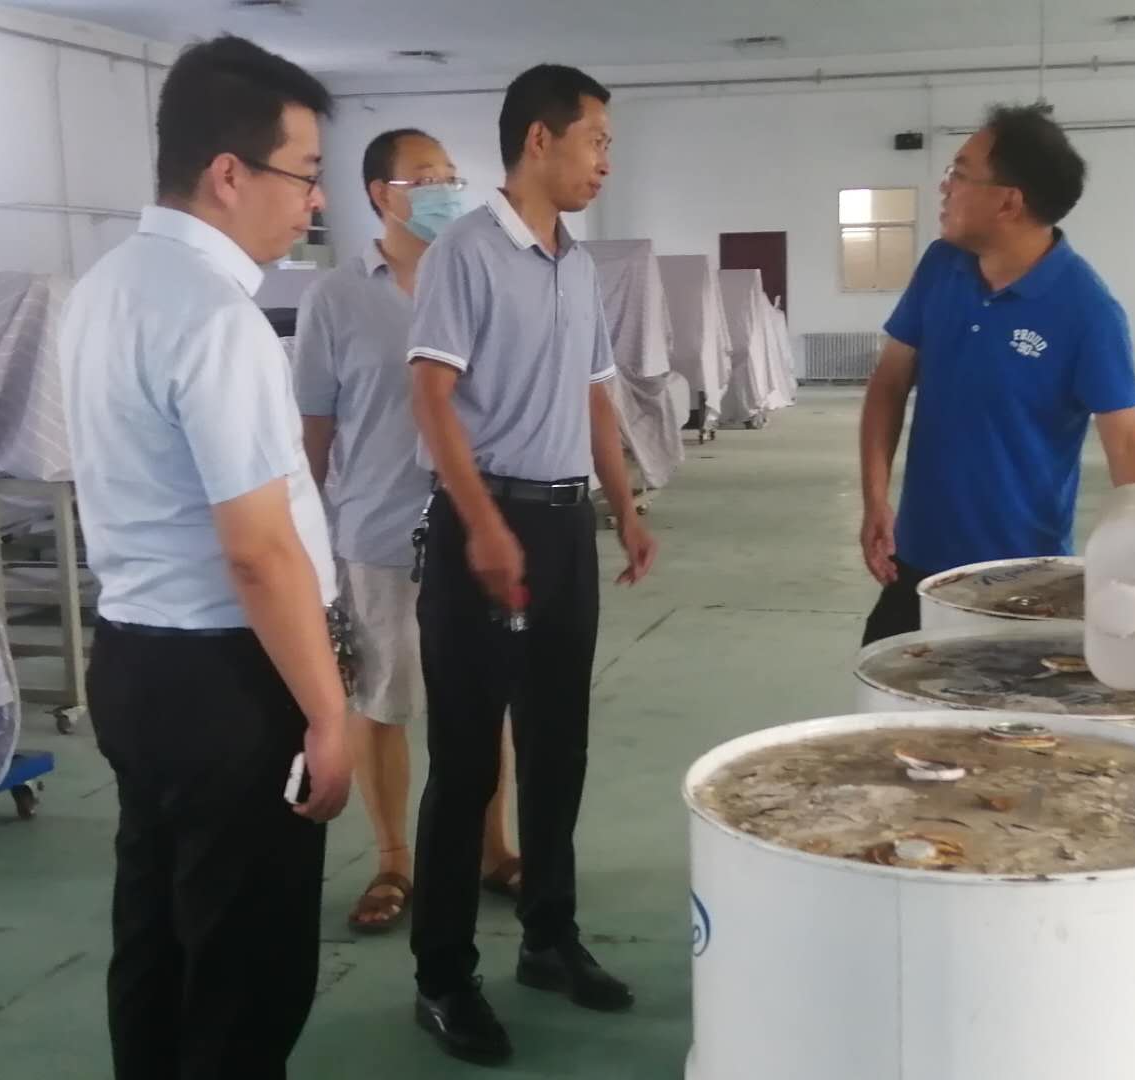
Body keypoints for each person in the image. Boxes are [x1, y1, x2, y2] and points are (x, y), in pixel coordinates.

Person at [58, 35, 353, 1080]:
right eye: (304, 174)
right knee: (244, 970)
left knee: (157, 938)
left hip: (135, 660)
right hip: (229, 683)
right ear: (230, 173)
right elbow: (260, 553)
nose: (314, 202)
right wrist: (327, 713)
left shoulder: (104, 288)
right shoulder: (216, 317)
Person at [404, 63, 658, 1066]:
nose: (605, 161)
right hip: (484, 528)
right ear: (540, 140)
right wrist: (481, 524)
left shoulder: (575, 264)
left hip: (561, 529)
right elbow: (431, 397)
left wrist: (623, 506)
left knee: (559, 749)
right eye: (596, 140)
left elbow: (595, 394)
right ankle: (441, 978)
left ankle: (549, 938)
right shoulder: (465, 253)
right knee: (468, 762)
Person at [293, 127, 524, 938]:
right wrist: (310, 539)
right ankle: (395, 860)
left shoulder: (480, 275)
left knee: (483, 700)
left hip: (473, 528)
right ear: (380, 194)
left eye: (453, 175)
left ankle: (493, 849)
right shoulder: (335, 298)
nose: (447, 189)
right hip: (378, 531)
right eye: (427, 177)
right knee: (382, 701)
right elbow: (315, 427)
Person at [858, 103, 1135, 644]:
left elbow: (1127, 441)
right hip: (917, 560)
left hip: (1019, 579)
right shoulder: (941, 266)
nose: (944, 187)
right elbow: (889, 383)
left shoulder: (1086, 311)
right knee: (883, 678)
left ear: (1008, 202)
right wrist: (875, 499)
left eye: (959, 174)